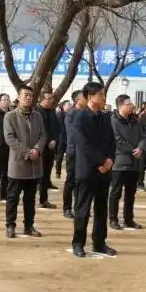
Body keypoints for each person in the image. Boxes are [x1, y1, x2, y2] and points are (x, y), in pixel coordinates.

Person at [70, 82, 117, 257]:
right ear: (90, 97)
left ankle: (99, 242)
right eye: (100, 94)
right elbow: (84, 144)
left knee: (101, 209)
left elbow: (112, 142)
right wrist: (102, 161)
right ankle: (78, 243)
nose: (104, 98)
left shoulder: (105, 117)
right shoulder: (80, 117)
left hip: (105, 171)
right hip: (87, 170)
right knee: (82, 209)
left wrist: (109, 160)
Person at [3, 85, 46, 239]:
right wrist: (27, 152)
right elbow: (10, 138)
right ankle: (10, 226)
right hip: (18, 164)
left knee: (30, 199)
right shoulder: (10, 116)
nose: (28, 97)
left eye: (30, 95)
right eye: (25, 94)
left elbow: (43, 135)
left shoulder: (37, 116)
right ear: (18, 97)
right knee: (12, 197)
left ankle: (29, 225)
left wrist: (37, 150)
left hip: (35, 165)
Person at [108, 94, 141, 232]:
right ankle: (113, 219)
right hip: (120, 162)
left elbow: (143, 136)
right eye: (129, 104)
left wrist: (141, 148)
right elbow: (117, 140)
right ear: (121, 105)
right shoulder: (113, 121)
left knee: (130, 194)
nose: (132, 106)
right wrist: (133, 150)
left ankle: (128, 219)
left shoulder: (135, 120)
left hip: (135, 162)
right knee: (116, 193)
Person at [62, 90, 86, 219]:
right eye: (84, 97)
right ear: (77, 99)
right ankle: (67, 208)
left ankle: (79, 207)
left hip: (85, 153)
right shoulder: (71, 114)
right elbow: (73, 133)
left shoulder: (87, 112)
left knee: (81, 181)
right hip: (74, 152)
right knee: (71, 181)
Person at [36, 90, 61, 209]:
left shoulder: (52, 112)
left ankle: (44, 199)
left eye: (52, 99)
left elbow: (57, 128)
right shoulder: (36, 112)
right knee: (38, 175)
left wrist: (55, 140)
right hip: (39, 148)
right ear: (42, 99)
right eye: (48, 99)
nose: (51, 101)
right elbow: (37, 131)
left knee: (46, 175)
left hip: (51, 149)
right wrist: (46, 142)